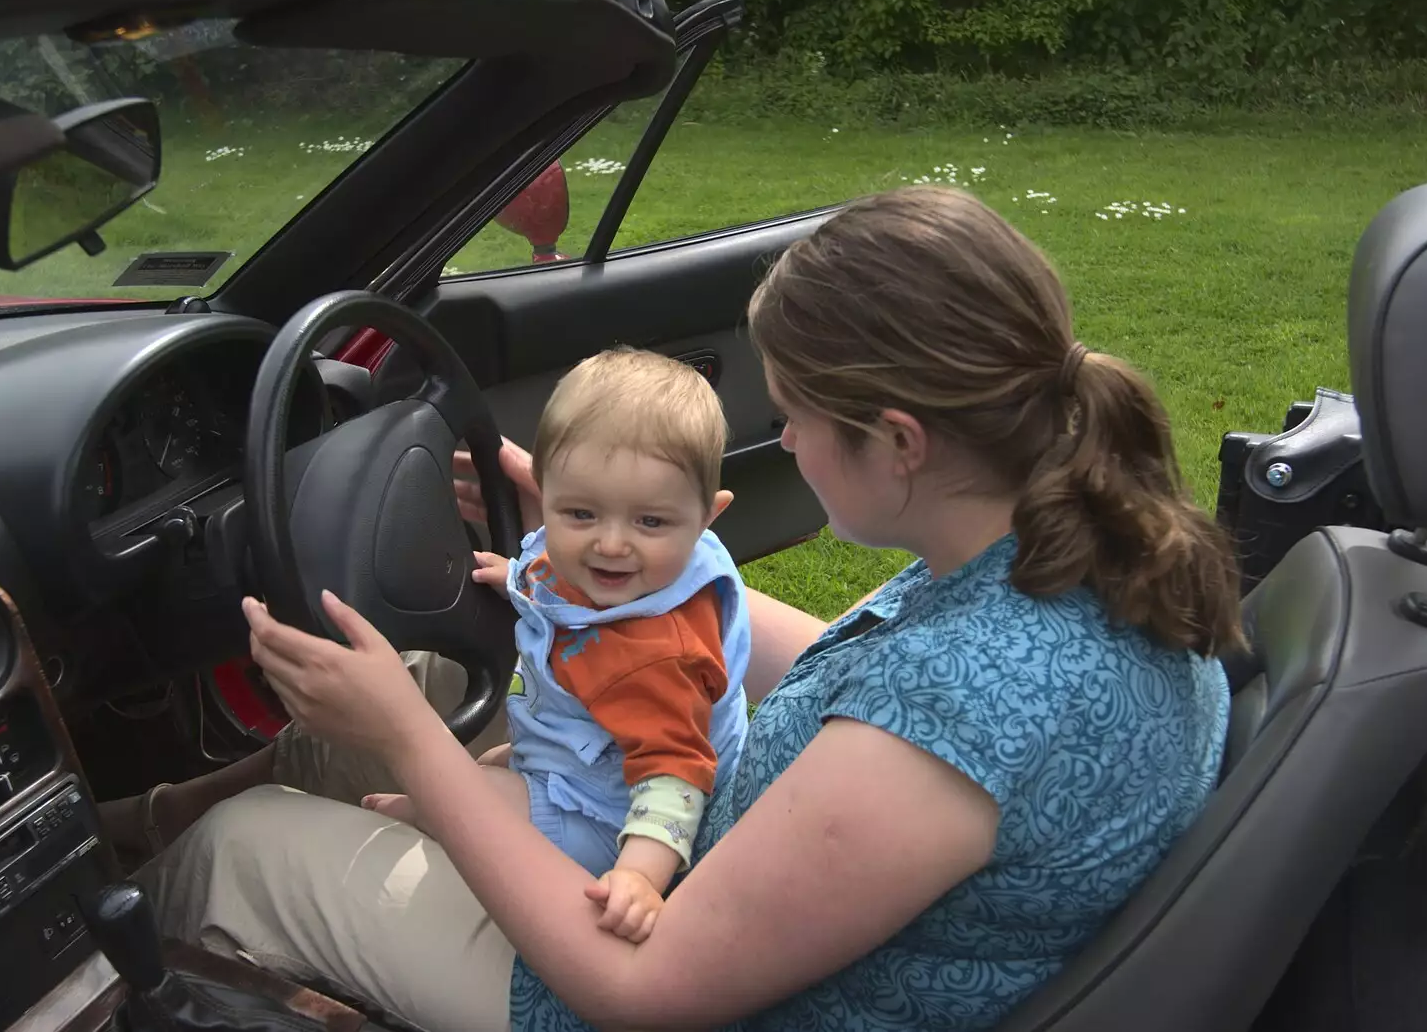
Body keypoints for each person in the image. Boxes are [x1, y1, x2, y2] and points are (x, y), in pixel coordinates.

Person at [118, 184, 1242, 1032]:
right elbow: (816, 663)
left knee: (251, 845)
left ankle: (105, 922)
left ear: (898, 441)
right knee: (421, 689)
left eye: (795, 413)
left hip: (648, 972)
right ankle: (138, 821)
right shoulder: (1065, 553)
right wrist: (619, 535)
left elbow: (636, 988)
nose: (786, 439)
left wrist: (410, 746)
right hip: (720, 868)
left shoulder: (961, 714)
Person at [360, 346, 752, 941]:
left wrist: (641, 877)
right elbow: (556, 570)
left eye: (650, 522)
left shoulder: (656, 656)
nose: (611, 545)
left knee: (472, 790)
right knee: (495, 763)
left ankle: (424, 812)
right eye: (581, 513)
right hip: (584, 761)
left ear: (708, 516)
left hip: (611, 818)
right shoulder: (631, 571)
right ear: (545, 492)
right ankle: (446, 798)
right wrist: (516, 576)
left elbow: (676, 777)